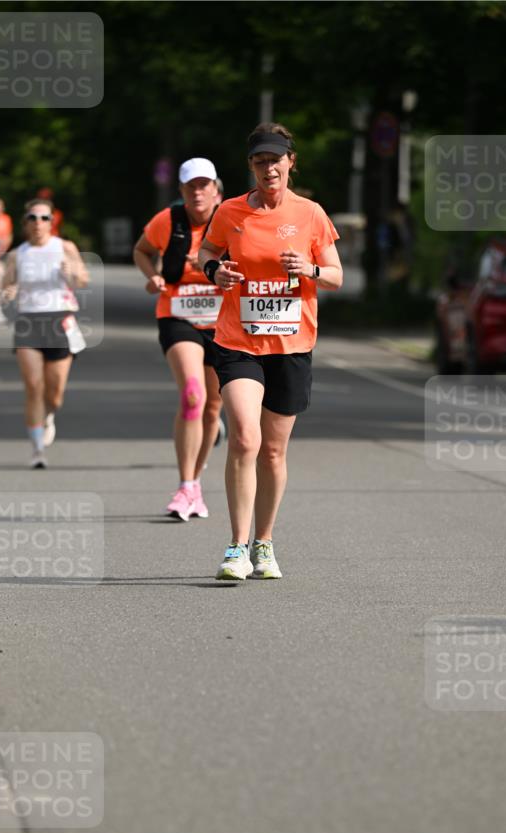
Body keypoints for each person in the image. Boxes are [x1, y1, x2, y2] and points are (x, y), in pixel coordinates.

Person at [199, 122, 343, 581]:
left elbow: (337, 275)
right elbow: (207, 252)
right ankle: (236, 547)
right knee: (245, 437)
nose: (269, 169)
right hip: (239, 341)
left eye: (275, 160)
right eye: (260, 162)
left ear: (290, 162)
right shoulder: (230, 211)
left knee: (274, 453)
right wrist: (214, 272)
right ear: (251, 167)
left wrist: (311, 267)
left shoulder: (311, 214)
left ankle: (264, 543)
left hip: (292, 344)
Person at [133, 157, 224, 521]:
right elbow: (142, 250)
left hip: (223, 320)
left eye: (204, 185)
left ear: (216, 189)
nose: (198, 191)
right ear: (182, 191)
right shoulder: (167, 221)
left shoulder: (232, 220)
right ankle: (185, 484)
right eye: (191, 186)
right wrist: (153, 276)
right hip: (178, 314)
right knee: (193, 394)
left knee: (213, 408)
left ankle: (196, 484)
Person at [1, 198, 89, 468]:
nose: (38, 223)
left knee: (54, 393)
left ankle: (49, 414)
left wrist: (72, 271)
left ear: (53, 221)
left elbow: (83, 280)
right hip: (28, 322)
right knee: (33, 387)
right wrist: (9, 293)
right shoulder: (18, 253)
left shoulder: (65, 248)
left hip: (59, 320)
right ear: (25, 222)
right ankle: (37, 449)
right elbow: (5, 289)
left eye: (44, 218)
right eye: (33, 218)